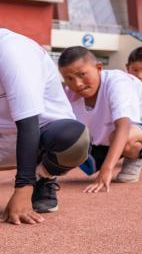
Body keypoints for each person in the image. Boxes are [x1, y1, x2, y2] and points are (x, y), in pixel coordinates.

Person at [0, 29, 90, 223]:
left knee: (74, 140)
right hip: (3, 140)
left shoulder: (12, 50)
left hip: (41, 136)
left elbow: (28, 125)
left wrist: (23, 189)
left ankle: (43, 178)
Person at [59, 47, 142, 189]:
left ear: (99, 68)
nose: (77, 83)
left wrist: (107, 169)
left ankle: (135, 156)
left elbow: (123, 126)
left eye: (82, 74)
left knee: (124, 137)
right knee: (74, 151)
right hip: (104, 138)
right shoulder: (69, 93)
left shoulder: (117, 82)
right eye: (69, 78)